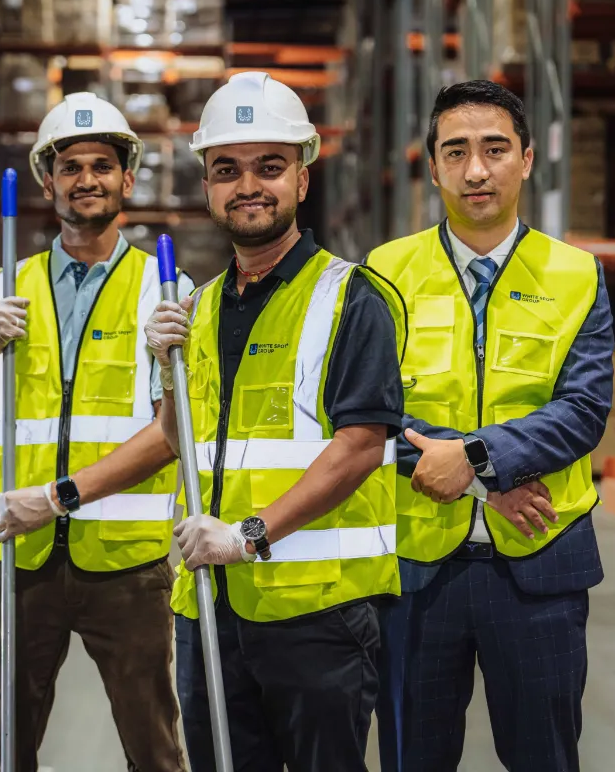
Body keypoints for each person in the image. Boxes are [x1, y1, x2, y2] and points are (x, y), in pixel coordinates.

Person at [144, 71, 407, 772]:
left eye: (269, 167)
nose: (247, 185)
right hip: (211, 604)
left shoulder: (350, 298)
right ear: (206, 184)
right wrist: (161, 363)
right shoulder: (196, 306)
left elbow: (359, 447)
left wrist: (247, 534)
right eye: (226, 170)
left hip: (317, 616)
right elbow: (179, 439)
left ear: (301, 177)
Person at [365, 80, 614, 772]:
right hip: (415, 568)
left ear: (527, 159)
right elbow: (366, 408)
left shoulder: (575, 274)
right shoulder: (384, 273)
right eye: (457, 151)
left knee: (544, 757)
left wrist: (474, 458)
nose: (476, 170)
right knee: (412, 755)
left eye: (494, 149)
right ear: (433, 163)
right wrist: (483, 483)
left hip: (541, 563)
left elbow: (582, 408)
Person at [0, 92, 194, 772]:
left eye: (103, 165)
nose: (87, 178)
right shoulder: (5, 285)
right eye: (72, 165)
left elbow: (173, 435)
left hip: (128, 566)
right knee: (7, 752)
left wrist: (55, 496)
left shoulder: (167, 291)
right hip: (19, 559)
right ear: (46, 180)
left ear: (127, 179)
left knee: (155, 749)